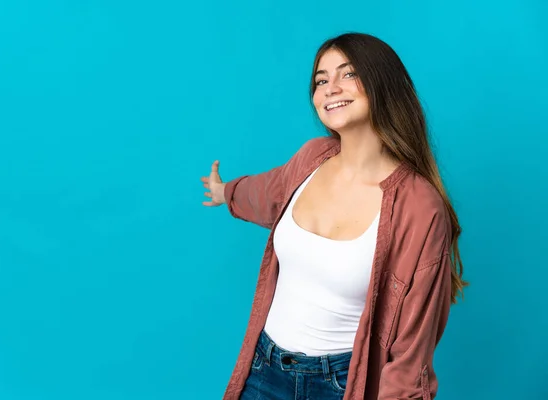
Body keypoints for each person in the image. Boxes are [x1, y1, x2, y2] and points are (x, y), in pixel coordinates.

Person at [200, 32, 467, 400]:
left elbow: (410, 356)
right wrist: (224, 191)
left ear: (382, 83)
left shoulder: (420, 207)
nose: (330, 87)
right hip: (262, 370)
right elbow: (268, 193)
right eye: (321, 80)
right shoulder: (312, 158)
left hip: (340, 385)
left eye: (348, 74)